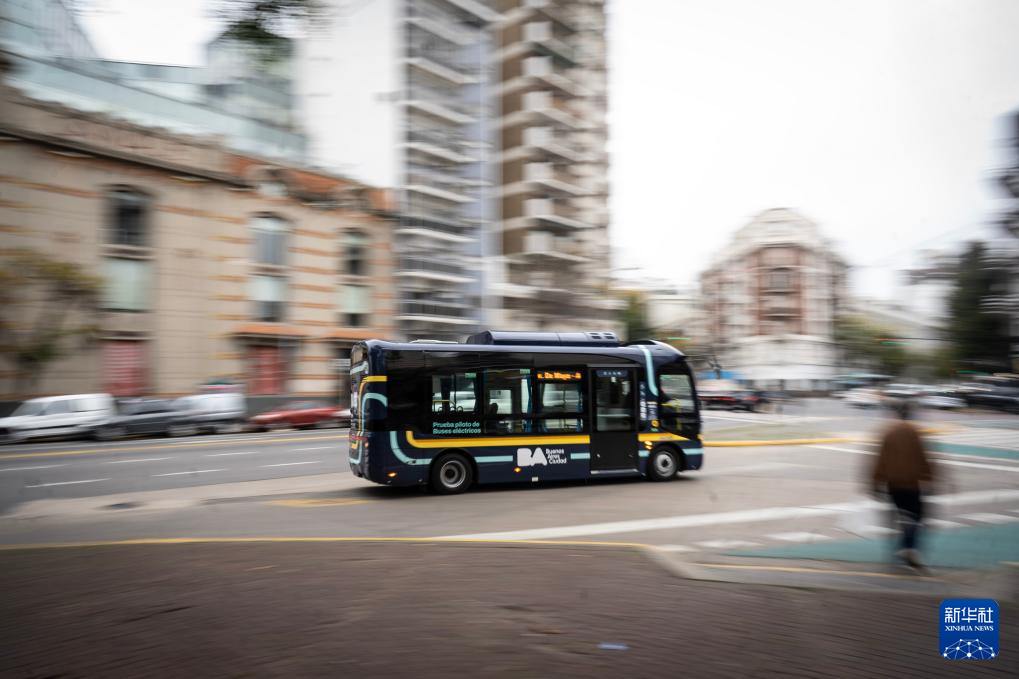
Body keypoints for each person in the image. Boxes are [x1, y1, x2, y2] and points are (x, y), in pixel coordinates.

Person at [869, 399, 934, 570]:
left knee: (896, 518)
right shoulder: (915, 432)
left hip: (892, 484)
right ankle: (908, 548)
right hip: (912, 484)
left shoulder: (888, 432)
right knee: (916, 517)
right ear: (910, 413)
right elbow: (924, 458)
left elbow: (880, 460)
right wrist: (929, 479)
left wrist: (875, 483)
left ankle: (899, 551)